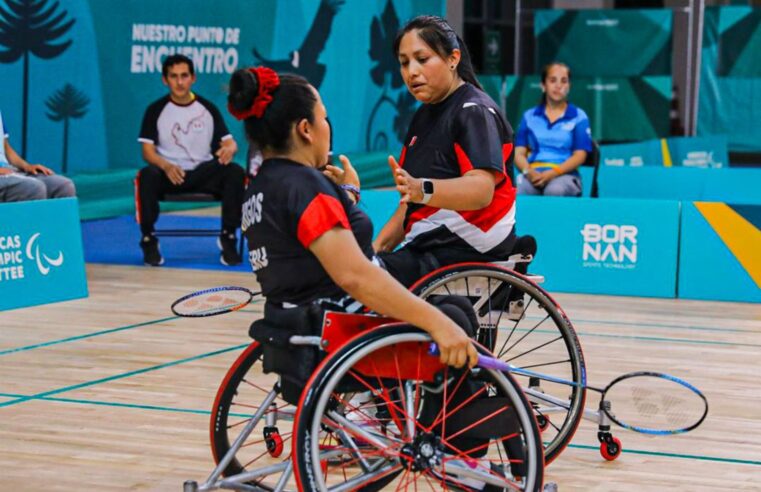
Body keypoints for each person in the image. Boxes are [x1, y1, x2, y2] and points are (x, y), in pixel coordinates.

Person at [227, 66, 477, 371]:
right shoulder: (304, 185)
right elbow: (354, 276)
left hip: (295, 318)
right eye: (323, 118)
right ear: (305, 129)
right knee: (455, 316)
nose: (327, 127)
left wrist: (347, 193)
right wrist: (439, 323)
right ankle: (452, 418)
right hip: (340, 327)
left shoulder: (263, 186)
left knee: (448, 307)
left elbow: (309, 244)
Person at [371, 15, 522, 288]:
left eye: (422, 59)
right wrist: (373, 251)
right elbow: (409, 203)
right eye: (404, 63)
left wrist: (423, 189)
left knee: (363, 283)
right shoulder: (422, 117)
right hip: (428, 246)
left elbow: (481, 191)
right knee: (358, 272)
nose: (411, 72)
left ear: (453, 59)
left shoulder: (473, 111)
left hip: (465, 248)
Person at [136, 54, 245, 267]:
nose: (179, 82)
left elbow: (230, 143)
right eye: (173, 76)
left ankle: (228, 236)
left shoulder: (208, 109)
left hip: (203, 173)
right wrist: (166, 166)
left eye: (184, 76)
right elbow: (147, 151)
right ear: (164, 80)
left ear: (193, 78)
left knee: (234, 171)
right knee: (147, 175)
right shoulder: (155, 110)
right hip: (170, 174)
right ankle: (148, 239)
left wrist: (229, 149)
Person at [514, 62, 593, 197]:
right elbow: (518, 153)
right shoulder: (529, 116)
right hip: (533, 174)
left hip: (565, 175)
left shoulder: (579, 116)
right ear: (543, 86)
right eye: (553, 80)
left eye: (564, 81)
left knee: (554, 190)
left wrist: (553, 173)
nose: (558, 86)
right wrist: (529, 172)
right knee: (520, 190)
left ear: (569, 86)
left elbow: (580, 155)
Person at [0, 109, 76, 202]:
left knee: (63, 186)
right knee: (32, 188)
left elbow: (5, 148)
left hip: (8, 171)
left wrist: (26, 166)